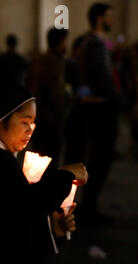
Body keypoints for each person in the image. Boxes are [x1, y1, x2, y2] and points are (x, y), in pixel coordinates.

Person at [0, 83, 87, 264]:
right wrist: (65, 175)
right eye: (24, 122)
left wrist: (54, 231)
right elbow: (26, 206)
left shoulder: (6, 158)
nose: (30, 130)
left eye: (33, 123)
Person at [66, 3, 120, 224]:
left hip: (95, 107)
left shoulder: (92, 42)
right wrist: (120, 101)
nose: (112, 20)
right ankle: (90, 209)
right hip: (101, 108)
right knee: (99, 159)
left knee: (96, 159)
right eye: (109, 16)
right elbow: (103, 80)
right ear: (99, 18)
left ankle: (89, 207)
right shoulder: (96, 44)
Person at [26, 28, 69, 165]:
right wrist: (62, 117)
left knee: (39, 160)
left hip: (38, 118)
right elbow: (56, 94)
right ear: (60, 42)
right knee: (49, 161)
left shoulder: (39, 60)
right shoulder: (53, 62)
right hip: (49, 121)